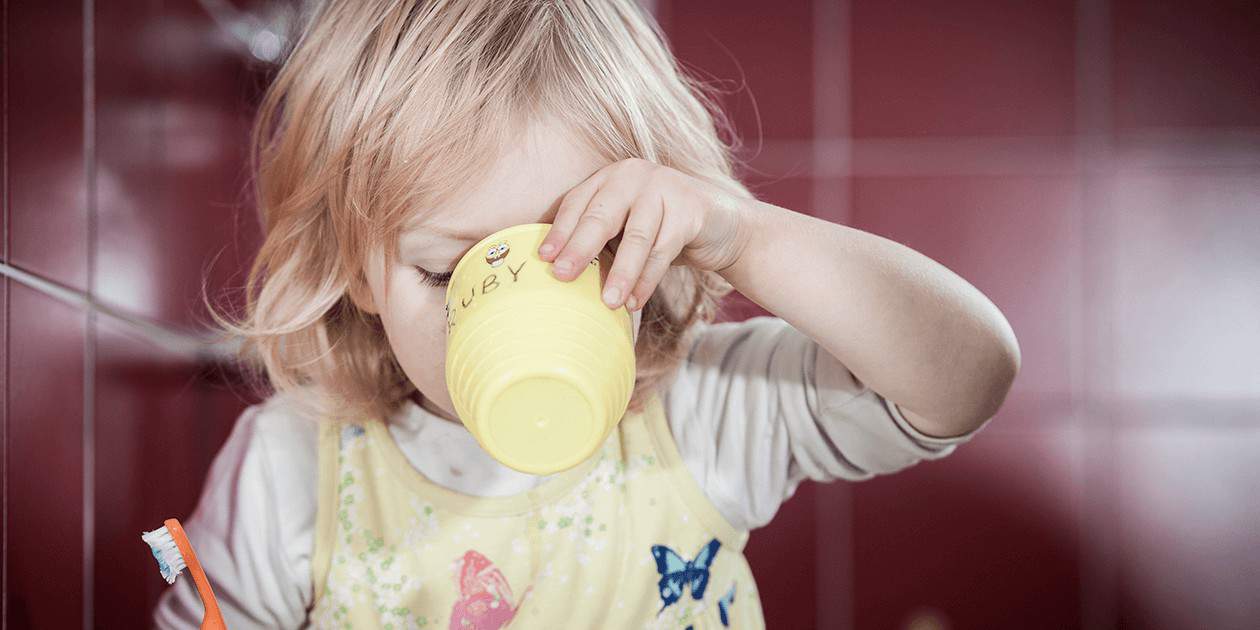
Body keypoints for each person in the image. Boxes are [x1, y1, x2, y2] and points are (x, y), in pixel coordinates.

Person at [154, 0, 1020, 628]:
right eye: (451, 271)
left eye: (578, 254)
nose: (506, 322)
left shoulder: (698, 412)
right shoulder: (292, 467)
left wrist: (743, 237)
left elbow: (969, 380)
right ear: (359, 269)